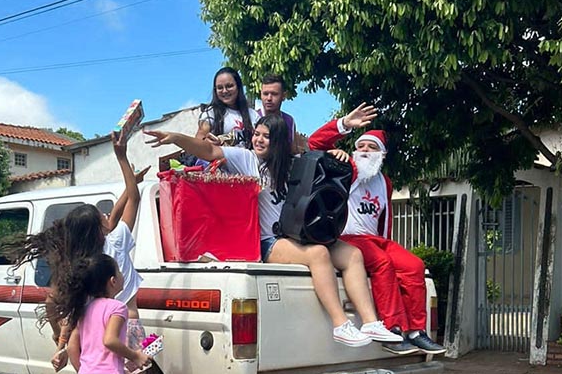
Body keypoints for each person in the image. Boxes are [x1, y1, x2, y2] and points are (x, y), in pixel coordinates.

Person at [146, 114, 402, 349]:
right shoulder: (246, 159)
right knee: (319, 254)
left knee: (353, 254)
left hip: (301, 235)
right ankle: (340, 325)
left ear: (278, 140)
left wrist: (337, 154)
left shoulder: (295, 164)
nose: (258, 139)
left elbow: (317, 152)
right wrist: (177, 138)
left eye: (266, 136)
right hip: (269, 241)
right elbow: (209, 150)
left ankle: (370, 323)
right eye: (257, 133)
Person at [17, 132, 155, 374]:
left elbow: (123, 203)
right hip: (126, 325)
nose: (108, 215)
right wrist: (123, 159)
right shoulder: (117, 243)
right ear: (101, 227)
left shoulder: (77, 261)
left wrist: (62, 342)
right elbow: (133, 202)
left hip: (86, 333)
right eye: (102, 216)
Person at [308, 104, 446, 354]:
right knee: (381, 262)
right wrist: (344, 125)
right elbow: (314, 144)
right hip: (349, 238)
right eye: (360, 146)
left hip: (377, 239)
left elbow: (385, 219)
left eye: (371, 148)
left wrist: (389, 244)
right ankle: (392, 330)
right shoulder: (346, 169)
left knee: (414, 266)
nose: (364, 151)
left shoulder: (385, 182)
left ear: (382, 155)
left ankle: (416, 331)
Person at [196, 67, 259, 147]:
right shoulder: (210, 114)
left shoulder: (253, 115)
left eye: (229, 86)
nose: (225, 91)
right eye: (220, 88)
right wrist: (207, 142)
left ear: (238, 87)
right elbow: (198, 141)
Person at [258, 73, 307, 155]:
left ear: (284, 96)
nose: (269, 98)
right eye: (265, 94)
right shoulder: (253, 118)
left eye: (274, 94)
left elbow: (293, 151)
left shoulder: (289, 121)